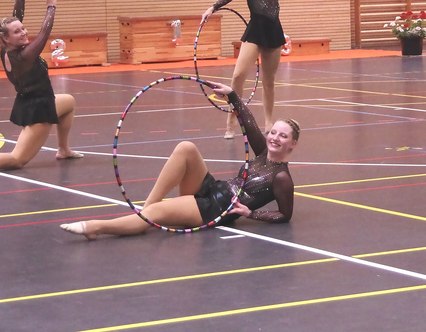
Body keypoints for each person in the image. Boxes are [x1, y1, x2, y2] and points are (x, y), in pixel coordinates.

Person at [60, 83, 300, 239]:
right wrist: (232, 96)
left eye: (283, 136)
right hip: (213, 189)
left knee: (155, 213)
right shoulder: (263, 152)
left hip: (214, 210)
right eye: (273, 132)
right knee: (186, 148)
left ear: (292, 144)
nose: (275, 138)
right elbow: (248, 123)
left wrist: (250, 213)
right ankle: (145, 212)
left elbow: (284, 214)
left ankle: (96, 227)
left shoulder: (281, 178)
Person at [201, 0, 296, 137]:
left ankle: (269, 124)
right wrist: (213, 7)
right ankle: (231, 124)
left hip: (274, 32)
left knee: (269, 81)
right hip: (255, 31)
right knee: (237, 77)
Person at [0, 0, 82, 171]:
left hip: (32, 100)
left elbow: (17, 17)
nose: (23, 32)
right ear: (6, 38)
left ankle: (63, 150)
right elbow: (45, 32)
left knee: (68, 102)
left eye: (23, 29)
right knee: (17, 159)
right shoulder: (24, 56)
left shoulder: (7, 49)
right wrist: (51, 7)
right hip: (38, 108)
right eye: (17, 32)